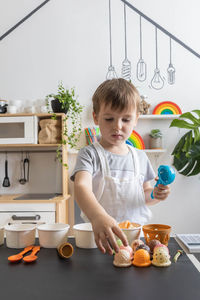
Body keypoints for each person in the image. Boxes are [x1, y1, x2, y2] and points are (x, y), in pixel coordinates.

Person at [70, 78, 170, 255]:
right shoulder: (89, 154)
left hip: (137, 243)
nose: (117, 126)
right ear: (95, 117)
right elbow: (81, 186)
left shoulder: (140, 156)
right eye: (109, 119)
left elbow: (144, 196)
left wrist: (157, 193)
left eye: (125, 119)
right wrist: (97, 216)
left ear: (136, 119)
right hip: (101, 242)